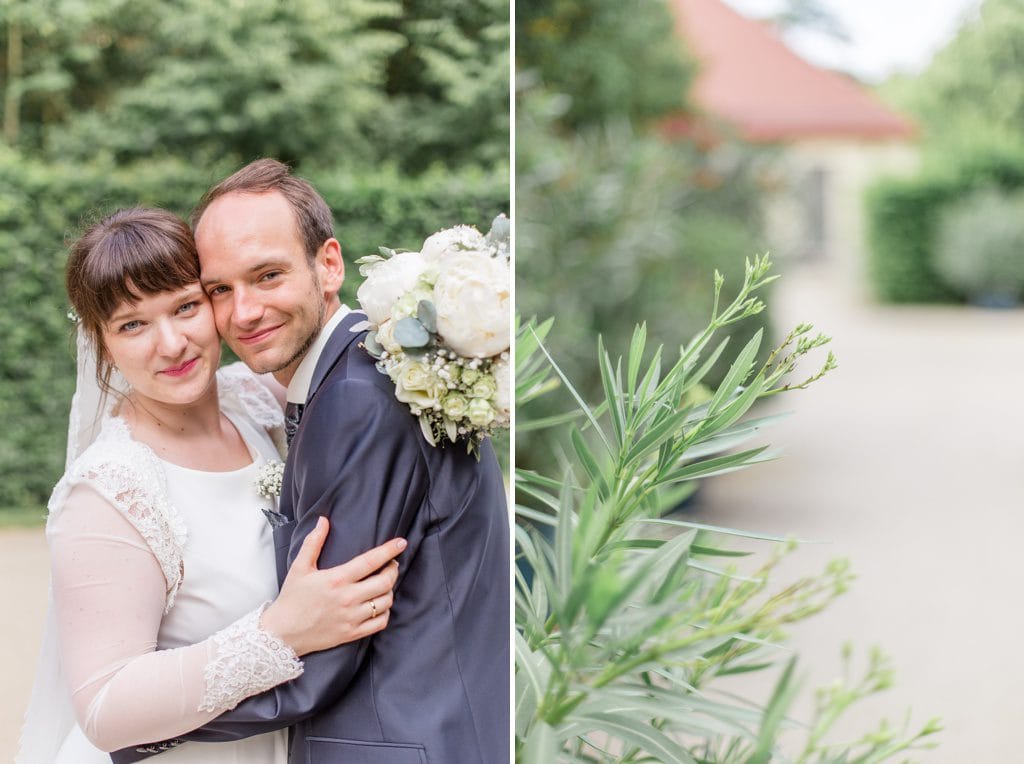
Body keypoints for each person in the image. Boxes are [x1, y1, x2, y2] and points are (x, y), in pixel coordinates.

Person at [114, 159, 510, 763]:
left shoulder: (357, 399)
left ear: (328, 265)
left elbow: (322, 655)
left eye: (267, 276)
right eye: (220, 289)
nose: (243, 312)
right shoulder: (370, 370)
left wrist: (139, 727)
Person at [17, 208, 406, 763]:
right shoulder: (110, 492)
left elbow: (344, 362)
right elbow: (104, 707)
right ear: (102, 345)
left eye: (185, 307)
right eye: (133, 324)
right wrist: (282, 632)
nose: (172, 343)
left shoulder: (257, 402)